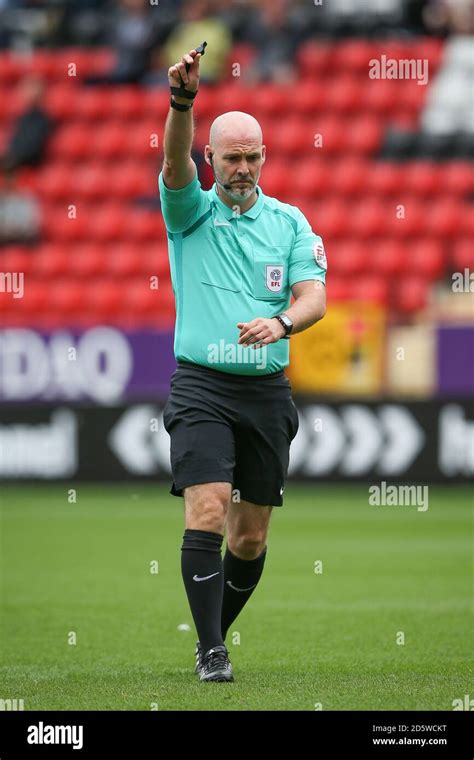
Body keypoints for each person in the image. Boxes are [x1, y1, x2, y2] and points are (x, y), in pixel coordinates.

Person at [159, 47, 327, 683]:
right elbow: (173, 162)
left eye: (254, 156)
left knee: (250, 538)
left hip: (266, 391)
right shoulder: (190, 212)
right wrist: (183, 102)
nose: (244, 167)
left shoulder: (288, 221)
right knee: (206, 506)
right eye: (232, 156)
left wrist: (281, 322)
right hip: (201, 384)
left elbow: (314, 296)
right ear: (213, 159)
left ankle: (212, 633)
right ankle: (211, 652)